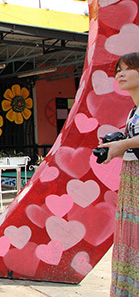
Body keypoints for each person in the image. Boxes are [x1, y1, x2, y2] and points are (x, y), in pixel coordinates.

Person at [97, 52, 139, 296]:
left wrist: (123, 145)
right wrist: (116, 150)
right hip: (132, 178)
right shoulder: (133, 111)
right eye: (118, 70)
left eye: (128, 69)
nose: (120, 74)